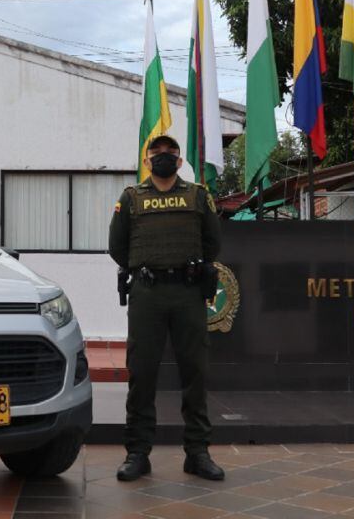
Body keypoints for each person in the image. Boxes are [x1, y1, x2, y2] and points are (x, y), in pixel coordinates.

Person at [108, 134, 224, 482]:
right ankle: (137, 453)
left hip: (188, 293)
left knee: (195, 372)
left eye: (169, 152)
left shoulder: (199, 195)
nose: (162, 156)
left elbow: (213, 242)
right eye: (155, 152)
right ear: (147, 161)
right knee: (141, 374)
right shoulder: (131, 198)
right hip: (148, 293)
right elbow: (117, 247)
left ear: (179, 159)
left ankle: (198, 453)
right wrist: (148, 266)